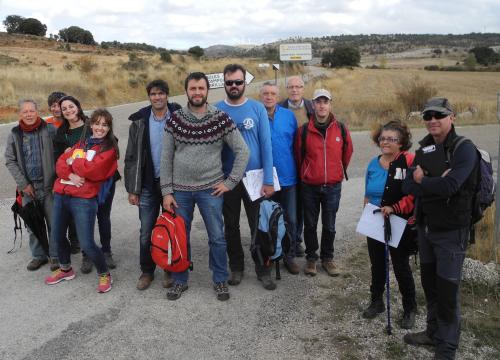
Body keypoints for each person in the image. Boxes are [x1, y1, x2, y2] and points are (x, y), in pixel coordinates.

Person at [161, 72, 249, 301]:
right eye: (193, 88)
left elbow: (243, 151)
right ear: (186, 91)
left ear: (207, 91)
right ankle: (180, 280)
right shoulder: (175, 120)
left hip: (211, 189)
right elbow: (166, 157)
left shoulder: (221, 118)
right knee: (181, 237)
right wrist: (166, 192)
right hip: (180, 191)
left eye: (201, 88)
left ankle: (220, 279)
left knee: (217, 237)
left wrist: (230, 182)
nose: (197, 92)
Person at [402, 98, 479, 360]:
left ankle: (446, 348)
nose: (432, 120)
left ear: (452, 117)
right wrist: (431, 182)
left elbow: (452, 187)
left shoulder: (464, 149)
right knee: (431, 286)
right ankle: (433, 333)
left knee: (447, 290)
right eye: (428, 116)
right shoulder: (424, 149)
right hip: (426, 228)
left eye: (439, 115)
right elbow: (407, 187)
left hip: (451, 231)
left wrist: (424, 180)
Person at [216, 63, 276, 290]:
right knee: (230, 226)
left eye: (238, 82)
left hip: (255, 178)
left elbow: (266, 145)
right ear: (224, 84)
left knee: (258, 225)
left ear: (244, 83)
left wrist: (268, 180)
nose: (234, 86)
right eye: (229, 82)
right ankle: (237, 267)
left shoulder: (258, 108)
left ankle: (263, 268)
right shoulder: (216, 110)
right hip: (227, 180)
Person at [45, 108, 118, 293]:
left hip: (84, 199)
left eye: (105, 125)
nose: (100, 128)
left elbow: (93, 171)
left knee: (86, 243)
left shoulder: (108, 150)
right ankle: (65, 269)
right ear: (91, 124)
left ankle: (104, 273)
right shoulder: (81, 143)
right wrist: (70, 170)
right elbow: (61, 162)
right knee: (57, 236)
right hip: (62, 194)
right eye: (97, 123)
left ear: (109, 128)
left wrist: (73, 162)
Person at [125, 79, 181, 291]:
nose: (157, 97)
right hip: (147, 184)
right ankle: (147, 271)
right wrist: (133, 188)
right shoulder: (139, 121)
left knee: (170, 229)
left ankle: (169, 269)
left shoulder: (178, 117)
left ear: (167, 95)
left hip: (172, 185)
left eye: (161, 93)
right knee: (146, 232)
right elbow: (131, 157)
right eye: (153, 94)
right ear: (149, 97)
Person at [362, 120, 417, 329]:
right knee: (377, 263)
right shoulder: (373, 163)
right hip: (375, 219)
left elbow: (414, 194)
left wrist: (395, 207)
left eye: (391, 139)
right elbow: (368, 193)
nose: (385, 142)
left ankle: (410, 307)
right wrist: (365, 214)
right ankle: (376, 302)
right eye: (383, 138)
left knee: (401, 265)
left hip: (399, 220)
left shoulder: (409, 161)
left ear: (401, 143)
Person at [294, 89, 353, 277]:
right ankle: (311, 258)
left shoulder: (341, 129)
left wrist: (335, 171)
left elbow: (347, 153)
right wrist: (307, 173)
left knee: (329, 225)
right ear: (313, 105)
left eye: (325, 102)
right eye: (318, 102)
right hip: (310, 186)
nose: (321, 105)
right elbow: (298, 156)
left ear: (330, 105)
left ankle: (328, 258)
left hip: (333, 187)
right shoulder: (303, 131)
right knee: (310, 225)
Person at [5, 99, 57, 271]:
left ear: (37, 112)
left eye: (31, 111)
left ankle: (55, 256)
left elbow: (61, 156)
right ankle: (39, 256)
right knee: (33, 223)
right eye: (24, 111)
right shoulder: (14, 133)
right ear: (20, 114)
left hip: (49, 187)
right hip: (28, 189)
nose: (28, 114)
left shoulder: (50, 130)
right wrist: (23, 184)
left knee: (53, 222)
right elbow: (10, 161)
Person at [259, 81, 300, 274]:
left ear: (277, 96)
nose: (269, 96)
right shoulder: (256, 115)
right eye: (265, 93)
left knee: (290, 219)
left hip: (288, 177)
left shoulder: (288, 116)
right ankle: (267, 256)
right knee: (267, 220)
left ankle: (288, 256)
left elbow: (296, 146)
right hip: (265, 180)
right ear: (261, 96)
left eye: (272, 94)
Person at [280, 75, 314, 257]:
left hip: (307, 164)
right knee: (288, 207)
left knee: (301, 205)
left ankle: (297, 240)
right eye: (291, 87)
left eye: (298, 86)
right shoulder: (278, 108)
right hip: (287, 164)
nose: (294, 90)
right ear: (287, 89)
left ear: (303, 88)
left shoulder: (312, 108)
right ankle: (284, 240)